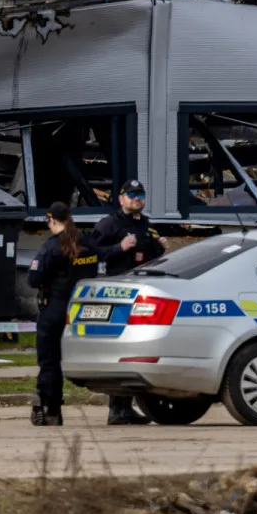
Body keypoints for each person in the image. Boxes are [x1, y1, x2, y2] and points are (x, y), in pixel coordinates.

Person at [82, 180, 163, 424]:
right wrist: (119, 247)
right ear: (121, 198)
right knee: (120, 351)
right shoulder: (110, 224)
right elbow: (89, 251)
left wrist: (159, 249)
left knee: (135, 352)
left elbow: (148, 257)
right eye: (131, 194)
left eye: (140, 194)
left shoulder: (146, 225)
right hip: (118, 293)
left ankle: (126, 408)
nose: (136, 198)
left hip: (141, 293)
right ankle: (116, 409)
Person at [26, 202, 96, 426]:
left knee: (49, 360)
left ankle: (50, 408)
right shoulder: (87, 243)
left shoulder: (51, 247)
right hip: (81, 309)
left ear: (52, 220)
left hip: (55, 308)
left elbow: (33, 279)